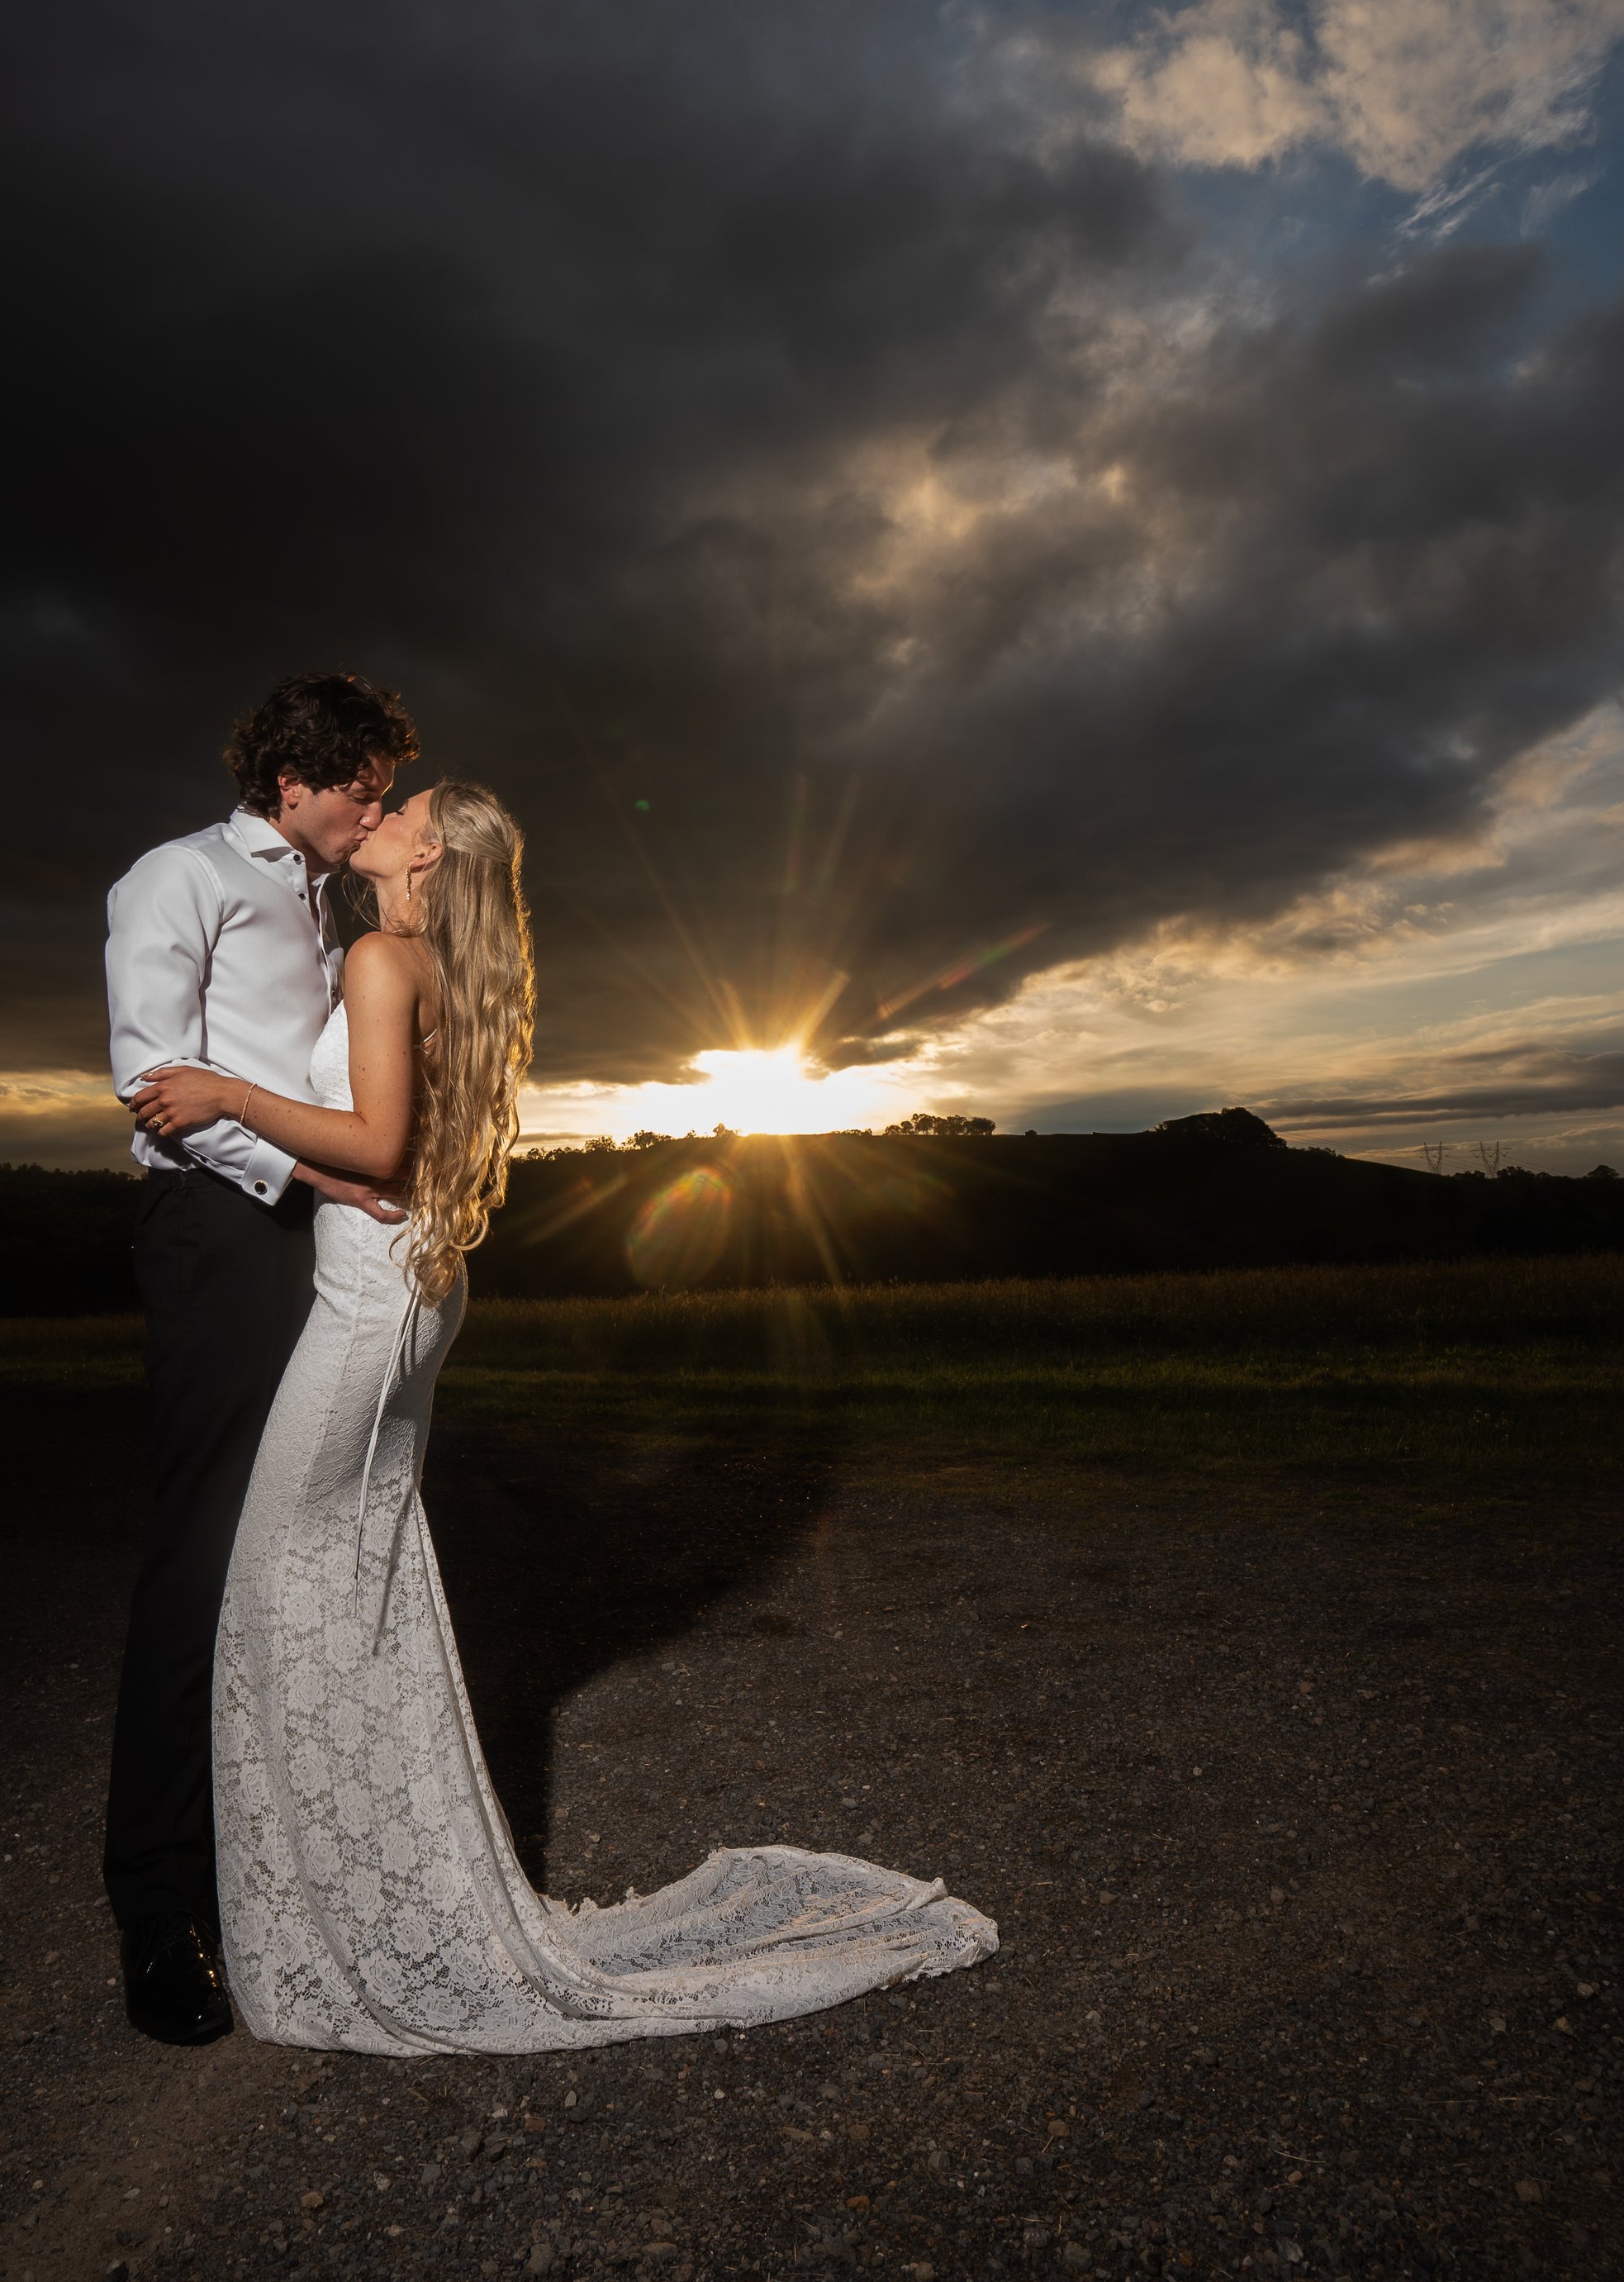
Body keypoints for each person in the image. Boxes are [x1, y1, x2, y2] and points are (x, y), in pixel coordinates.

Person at [132, 780, 995, 2054]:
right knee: (356, 1583)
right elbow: (396, 1148)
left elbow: (376, 1142)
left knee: (280, 1585)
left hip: (374, 1299)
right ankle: (368, 1894)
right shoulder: (429, 962)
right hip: (416, 1284)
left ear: (425, 853)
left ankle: (349, 1920)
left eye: (400, 805)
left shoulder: (380, 953)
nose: (374, 807)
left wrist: (225, 1094)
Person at [103, 669, 420, 2046]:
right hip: (215, 1231)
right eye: (365, 779)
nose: (379, 802)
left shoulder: (327, 897)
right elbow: (152, 1081)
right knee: (203, 1548)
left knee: (285, 1545)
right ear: (293, 776)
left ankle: (272, 1855)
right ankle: (157, 1905)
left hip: (306, 1229)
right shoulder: (171, 877)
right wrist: (301, 1166)